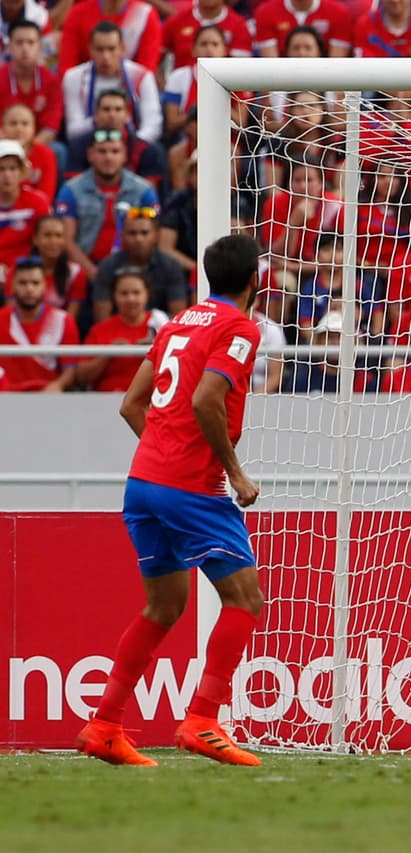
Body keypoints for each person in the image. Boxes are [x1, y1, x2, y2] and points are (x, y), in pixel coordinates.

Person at [74, 233, 266, 767]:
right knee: (245, 599)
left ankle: (104, 725)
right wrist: (235, 473)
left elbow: (131, 404)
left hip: (144, 483)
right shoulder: (240, 328)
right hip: (191, 488)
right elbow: (207, 398)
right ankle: (203, 719)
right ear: (256, 280)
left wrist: (163, 456)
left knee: (164, 606)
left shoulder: (178, 323)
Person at [62, 22, 163, 144]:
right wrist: (96, 121)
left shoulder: (141, 76)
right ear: (90, 50)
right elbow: (73, 132)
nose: (106, 56)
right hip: (91, 145)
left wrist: (132, 146)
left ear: (122, 49)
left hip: (133, 142)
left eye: (111, 49)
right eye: (99, 49)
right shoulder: (74, 77)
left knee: (155, 152)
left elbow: (153, 125)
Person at [76, 266, 166, 392]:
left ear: (147, 294)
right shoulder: (100, 330)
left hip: (151, 400)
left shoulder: (162, 325)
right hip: (104, 399)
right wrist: (107, 355)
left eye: (136, 293)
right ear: (114, 296)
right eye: (124, 293)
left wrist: (155, 350)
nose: (130, 299)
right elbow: (81, 376)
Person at [91, 206, 188, 321]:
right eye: (132, 233)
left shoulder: (171, 266)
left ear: (156, 235)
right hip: (118, 330)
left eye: (144, 233)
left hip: (161, 328)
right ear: (122, 236)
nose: (139, 239)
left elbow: (178, 318)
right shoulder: (107, 266)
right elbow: (102, 319)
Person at [0, 258, 80, 392]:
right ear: (12, 286)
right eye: (23, 283)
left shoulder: (62, 320)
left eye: (35, 283)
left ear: (45, 286)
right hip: (5, 396)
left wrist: (58, 385)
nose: (29, 289)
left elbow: (70, 370)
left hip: (47, 396)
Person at [0, 20, 64, 149]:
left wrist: (28, 148)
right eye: (19, 43)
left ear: (39, 46)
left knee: (59, 150)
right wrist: (11, 148)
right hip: (4, 145)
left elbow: (50, 128)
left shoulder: (51, 80)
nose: (25, 48)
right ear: (9, 47)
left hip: (38, 145)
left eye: (30, 42)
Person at [0, 138, 49, 297]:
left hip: (30, 269)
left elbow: (46, 241)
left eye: (13, 168)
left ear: (22, 172)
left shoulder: (38, 201)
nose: (7, 175)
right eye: (1, 169)